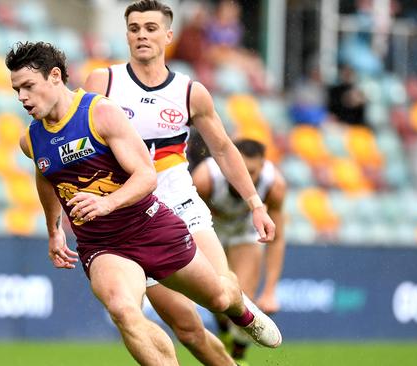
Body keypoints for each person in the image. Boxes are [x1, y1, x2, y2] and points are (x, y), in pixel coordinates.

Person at [6, 40, 281, 366]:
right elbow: (45, 174)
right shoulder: (32, 139)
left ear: (54, 76)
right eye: (16, 89)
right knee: (124, 311)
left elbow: (146, 177)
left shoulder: (100, 113)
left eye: (28, 86)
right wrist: (54, 230)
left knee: (219, 297)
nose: (22, 97)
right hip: (102, 244)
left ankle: (242, 310)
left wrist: (106, 203)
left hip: (148, 226)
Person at [83, 1, 280, 364]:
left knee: (221, 294)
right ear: (126, 34)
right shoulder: (103, 82)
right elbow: (82, 145)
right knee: (188, 329)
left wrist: (256, 204)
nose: (142, 35)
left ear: (168, 35)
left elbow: (223, 149)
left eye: (151, 28)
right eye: (135, 28)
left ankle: (241, 310)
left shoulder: (190, 92)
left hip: (180, 205)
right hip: (132, 217)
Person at [192, 139, 286, 365]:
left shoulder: (274, 186)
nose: (246, 178)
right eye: (240, 169)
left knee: (244, 295)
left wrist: (271, 290)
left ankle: (237, 357)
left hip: (245, 232)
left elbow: (277, 238)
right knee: (216, 293)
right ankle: (225, 329)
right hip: (208, 228)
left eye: (252, 172)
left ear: (263, 167)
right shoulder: (205, 179)